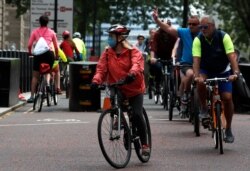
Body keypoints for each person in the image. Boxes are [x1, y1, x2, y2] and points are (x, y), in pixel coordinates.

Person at [91, 24, 150, 156]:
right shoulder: (107, 53)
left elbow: (137, 65)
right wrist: (96, 81)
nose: (109, 39)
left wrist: (131, 75)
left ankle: (145, 144)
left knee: (136, 114)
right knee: (117, 105)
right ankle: (121, 121)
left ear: (120, 38)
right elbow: (101, 69)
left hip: (134, 88)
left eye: (111, 36)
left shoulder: (133, 51)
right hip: (117, 87)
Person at [192, 15, 240, 143]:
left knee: (227, 98)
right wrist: (196, 76)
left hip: (222, 70)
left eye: (205, 27)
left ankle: (228, 128)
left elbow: (232, 57)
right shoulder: (198, 40)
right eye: (200, 27)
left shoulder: (224, 37)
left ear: (213, 26)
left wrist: (235, 73)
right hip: (205, 70)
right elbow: (196, 60)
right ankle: (203, 108)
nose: (202, 29)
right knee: (201, 83)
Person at [152, 9, 200, 106]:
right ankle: (185, 94)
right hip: (187, 64)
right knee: (189, 75)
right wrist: (157, 20)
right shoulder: (184, 32)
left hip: (201, 64)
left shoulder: (203, 34)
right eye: (189, 24)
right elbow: (169, 29)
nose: (191, 26)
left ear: (199, 25)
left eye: (194, 24)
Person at [27, 15, 59, 103]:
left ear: (39, 22)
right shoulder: (52, 32)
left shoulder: (35, 32)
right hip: (49, 54)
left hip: (38, 54)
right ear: (47, 22)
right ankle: (48, 83)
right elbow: (56, 47)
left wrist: (30, 52)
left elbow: (29, 45)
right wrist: (56, 56)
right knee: (48, 70)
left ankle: (32, 96)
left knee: (35, 76)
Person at [149, 19, 177, 93]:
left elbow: (177, 46)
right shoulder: (157, 34)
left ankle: (172, 94)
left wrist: (176, 57)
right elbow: (153, 47)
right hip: (159, 56)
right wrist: (152, 57)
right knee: (158, 68)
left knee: (172, 76)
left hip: (171, 56)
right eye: (163, 26)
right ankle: (158, 84)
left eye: (167, 26)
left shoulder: (174, 34)